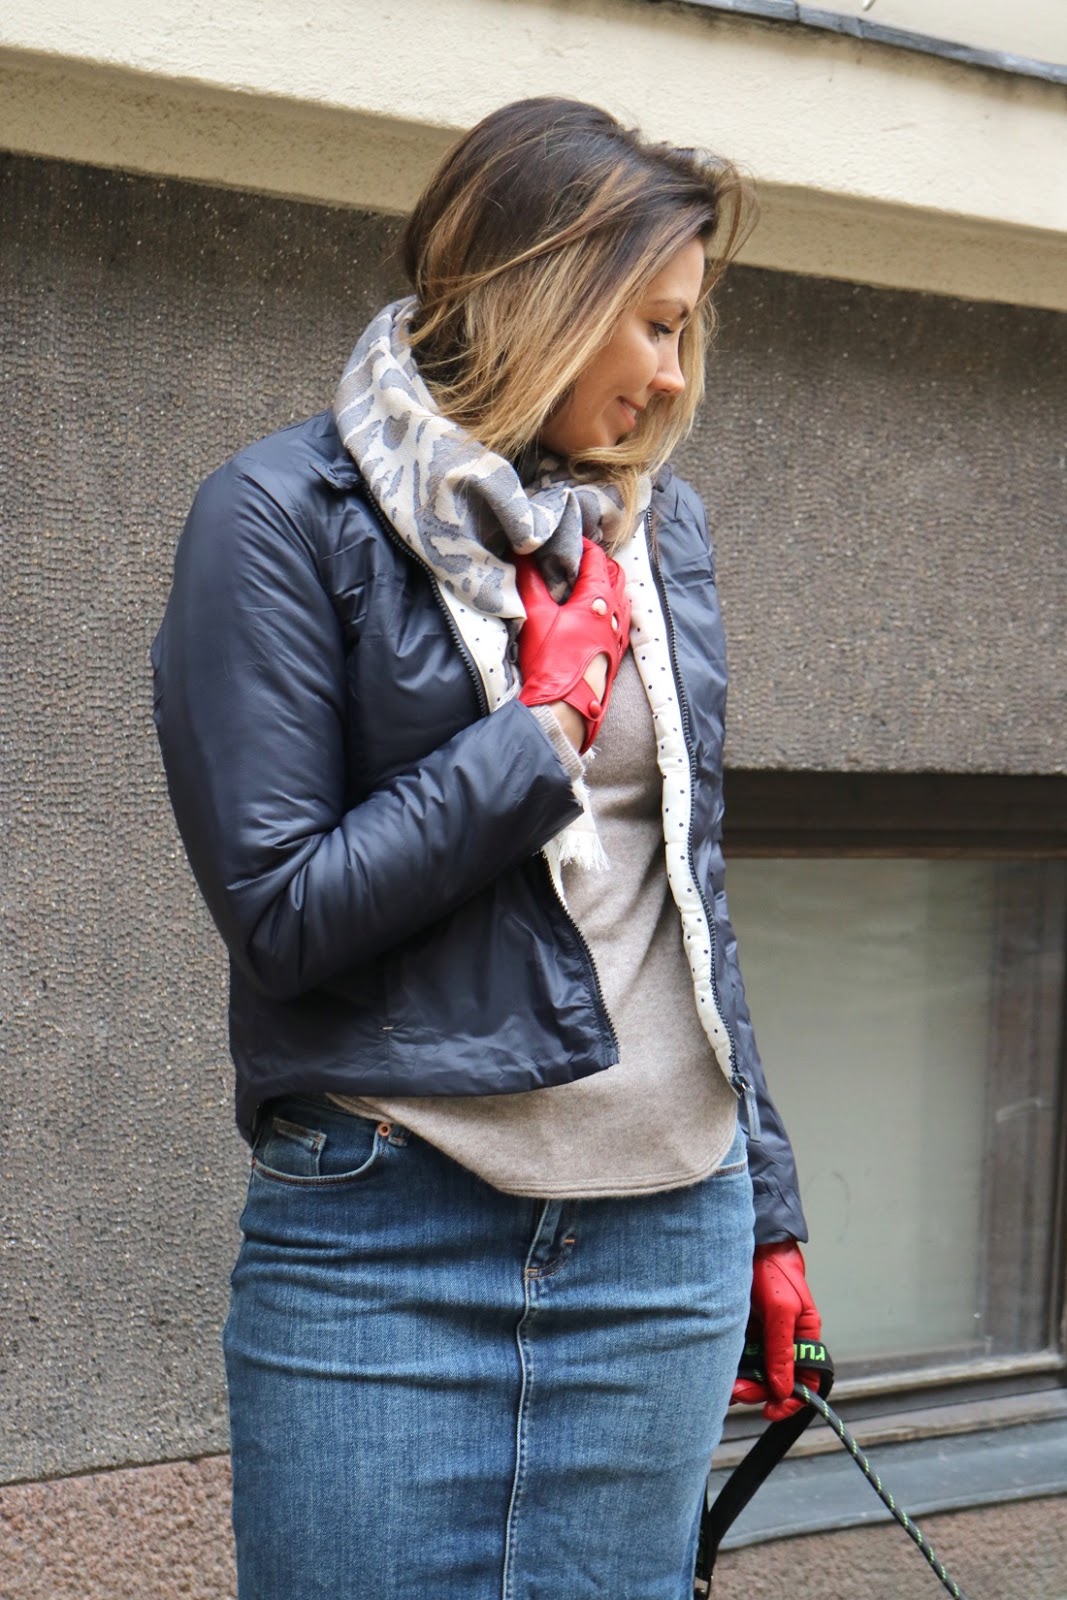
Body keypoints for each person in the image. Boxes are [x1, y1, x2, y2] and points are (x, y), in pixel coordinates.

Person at [152, 97, 822, 1600]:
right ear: (546, 294)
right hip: (389, 1236)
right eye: (653, 325)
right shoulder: (279, 516)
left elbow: (684, 892)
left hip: (669, 1243)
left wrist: (770, 1216)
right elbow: (283, 913)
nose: (673, 375)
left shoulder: (657, 532)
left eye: (685, 332)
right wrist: (542, 724)